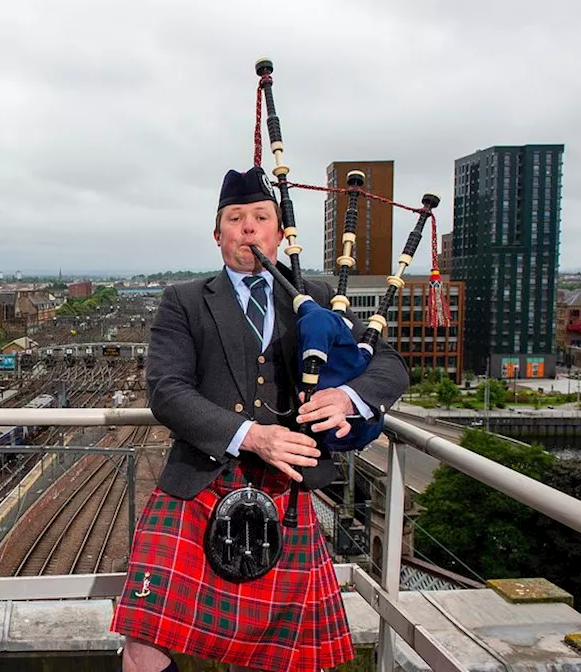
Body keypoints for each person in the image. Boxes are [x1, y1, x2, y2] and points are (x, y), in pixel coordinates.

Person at [111, 166, 410, 672]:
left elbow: (390, 364)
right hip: (197, 485)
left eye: (260, 217)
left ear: (278, 232)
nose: (248, 227)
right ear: (218, 234)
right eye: (235, 218)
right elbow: (167, 391)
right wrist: (251, 436)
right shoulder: (184, 300)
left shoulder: (318, 298)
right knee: (142, 645)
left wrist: (347, 398)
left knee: (283, 657)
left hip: (288, 493)